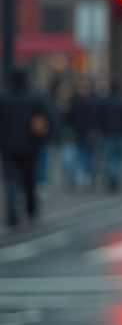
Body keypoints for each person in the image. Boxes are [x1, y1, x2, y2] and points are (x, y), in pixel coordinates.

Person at [0, 68, 53, 227]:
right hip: (30, 145)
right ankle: (31, 209)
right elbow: (46, 118)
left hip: (8, 146)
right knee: (29, 179)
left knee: (11, 181)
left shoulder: (4, 96)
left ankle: (12, 213)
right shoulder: (35, 96)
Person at [97, 79, 122, 192]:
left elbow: (99, 118)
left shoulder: (105, 101)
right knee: (119, 158)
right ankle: (115, 177)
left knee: (110, 157)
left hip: (108, 134)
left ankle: (111, 177)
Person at [65, 78, 100, 188]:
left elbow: (97, 119)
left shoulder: (94, 102)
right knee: (77, 156)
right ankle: (79, 176)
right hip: (77, 133)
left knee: (88, 155)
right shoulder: (74, 102)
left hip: (89, 133)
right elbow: (69, 118)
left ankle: (87, 175)